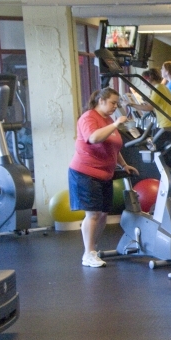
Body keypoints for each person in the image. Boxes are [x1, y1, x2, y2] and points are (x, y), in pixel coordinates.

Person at [68, 88, 139, 268]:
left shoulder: (107, 119)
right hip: (85, 173)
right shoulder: (89, 118)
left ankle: (92, 249)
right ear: (101, 100)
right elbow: (93, 138)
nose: (115, 107)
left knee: (102, 215)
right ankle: (88, 254)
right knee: (92, 214)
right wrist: (115, 125)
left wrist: (123, 165)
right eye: (113, 102)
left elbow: (113, 147)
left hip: (105, 174)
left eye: (117, 103)